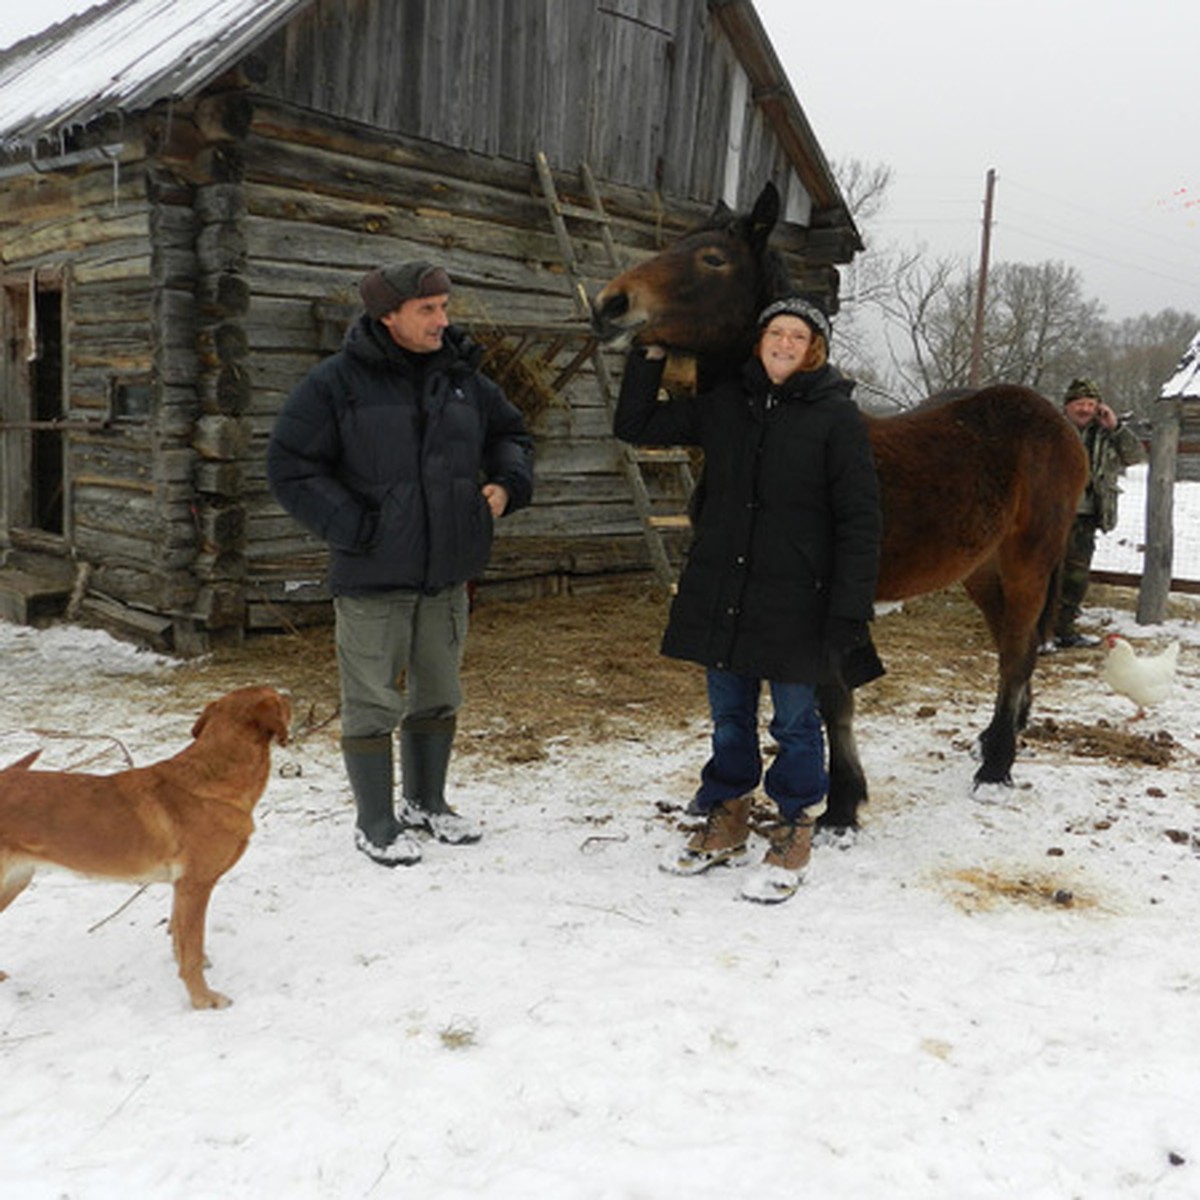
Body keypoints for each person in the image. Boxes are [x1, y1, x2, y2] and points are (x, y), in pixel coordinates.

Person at [614, 295, 883, 904]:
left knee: (794, 721)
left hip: (797, 599)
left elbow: (860, 520)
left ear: (814, 349)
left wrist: (849, 608)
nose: (785, 344)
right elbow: (635, 425)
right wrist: (650, 352)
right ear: (759, 341)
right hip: (727, 590)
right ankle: (729, 809)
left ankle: (793, 820)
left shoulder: (836, 418)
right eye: (775, 333)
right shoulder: (728, 404)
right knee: (729, 714)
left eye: (798, 336)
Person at [268, 261, 533, 866]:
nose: (444, 320)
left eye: (445, 307)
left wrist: (507, 485)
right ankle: (376, 821)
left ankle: (427, 802)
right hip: (373, 576)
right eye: (428, 310)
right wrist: (354, 526)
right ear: (389, 316)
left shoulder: (464, 378)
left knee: (439, 693)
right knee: (372, 702)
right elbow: (289, 465)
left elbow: (512, 435)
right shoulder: (336, 384)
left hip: (447, 569)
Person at [1049, 377, 1145, 650]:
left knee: (1076, 577)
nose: (1085, 409)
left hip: (1086, 514)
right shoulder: (1051, 430)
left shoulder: (1105, 432)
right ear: (1068, 405)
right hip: (1050, 514)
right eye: (1079, 403)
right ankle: (1036, 632)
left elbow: (1134, 456)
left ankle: (1064, 630)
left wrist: (1115, 427)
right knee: (1043, 572)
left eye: (1090, 404)